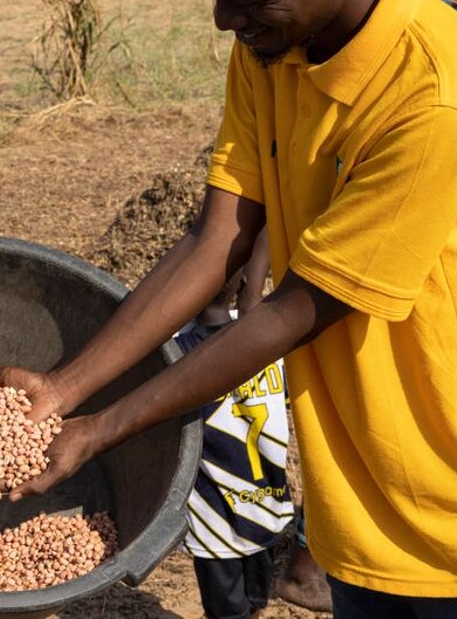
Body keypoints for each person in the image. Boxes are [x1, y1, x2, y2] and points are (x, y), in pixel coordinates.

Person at [0, 0, 457, 617]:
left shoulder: (439, 101)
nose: (222, 22)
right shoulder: (276, 42)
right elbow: (216, 240)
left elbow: (295, 307)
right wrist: (62, 391)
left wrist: (102, 430)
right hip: (356, 486)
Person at [174, 227, 293, 619]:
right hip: (266, 504)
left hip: (216, 518)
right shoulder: (269, 337)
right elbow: (264, 239)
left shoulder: (177, 354)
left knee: (228, 610)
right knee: (257, 600)